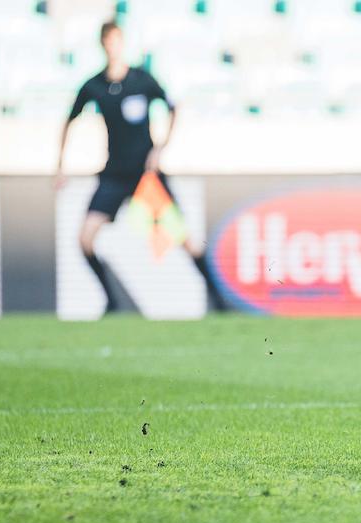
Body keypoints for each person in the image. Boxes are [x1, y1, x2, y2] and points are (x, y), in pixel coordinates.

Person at [56, 20, 226, 313]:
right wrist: (60, 166)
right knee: (85, 238)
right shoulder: (94, 85)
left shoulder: (142, 80)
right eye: (109, 41)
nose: (114, 47)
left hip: (147, 177)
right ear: (103, 45)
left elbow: (174, 108)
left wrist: (160, 149)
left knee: (185, 240)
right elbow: (69, 120)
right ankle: (110, 300)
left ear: (123, 44)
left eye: (118, 41)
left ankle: (220, 302)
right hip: (114, 174)